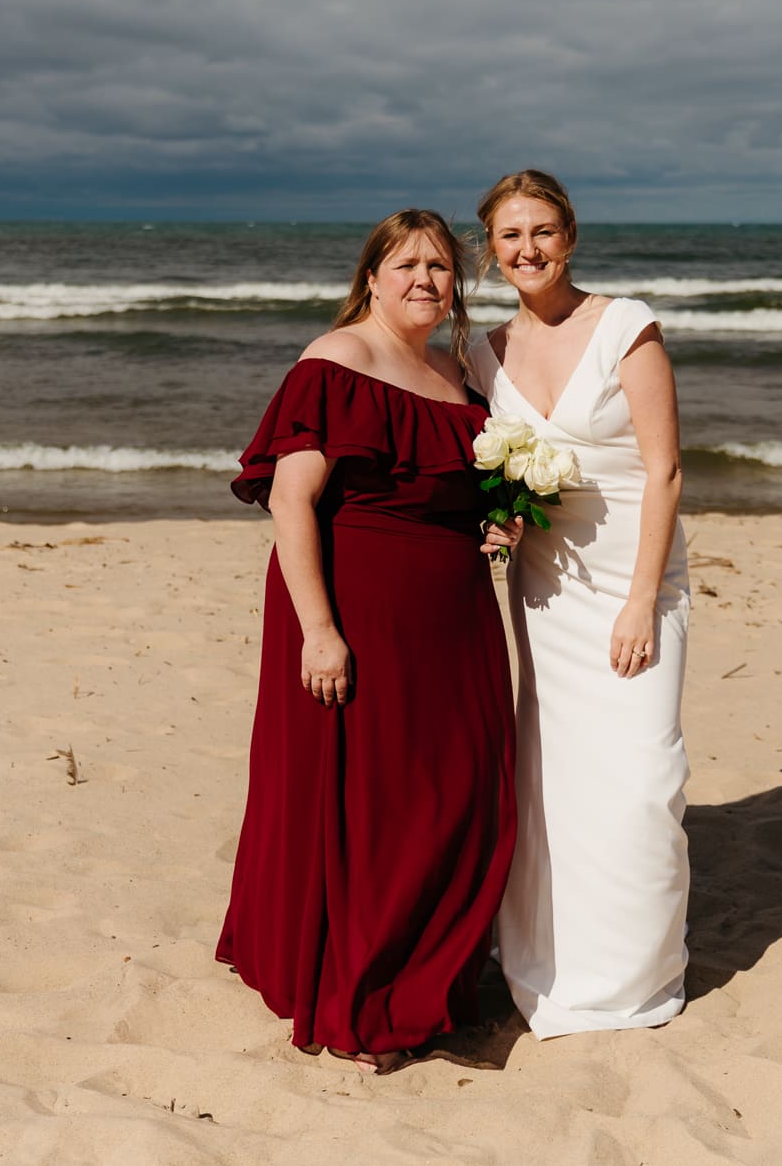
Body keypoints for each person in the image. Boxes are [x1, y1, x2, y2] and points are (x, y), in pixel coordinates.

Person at [216, 209, 516, 1074]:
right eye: (408, 265)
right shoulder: (334, 361)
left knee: (459, 787)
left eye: (442, 268)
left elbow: (464, 488)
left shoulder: (456, 375)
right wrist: (319, 631)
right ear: (373, 277)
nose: (426, 279)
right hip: (353, 612)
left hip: (454, 616)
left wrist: (497, 522)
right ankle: (367, 992)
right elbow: (289, 501)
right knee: (373, 801)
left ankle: (435, 971)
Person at [467, 169, 693, 1039]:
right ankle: (547, 960)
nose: (528, 249)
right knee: (556, 778)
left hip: (634, 582)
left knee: (642, 778)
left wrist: (642, 600)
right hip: (547, 590)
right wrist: (499, 525)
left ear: (571, 236)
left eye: (544, 231)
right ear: (491, 249)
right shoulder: (484, 351)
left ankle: (635, 977)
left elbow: (665, 468)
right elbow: (492, 471)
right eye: (510, 236)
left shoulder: (627, 327)